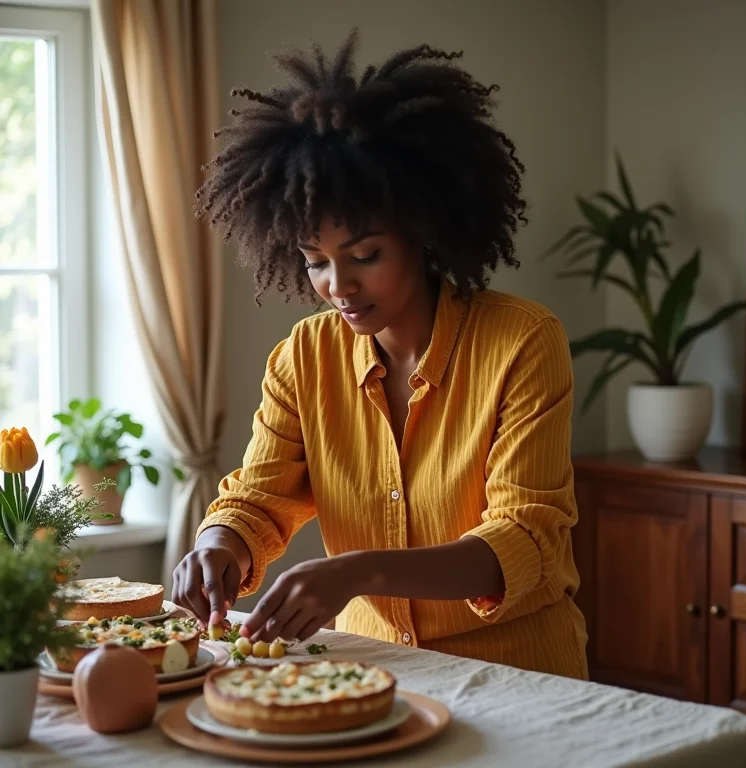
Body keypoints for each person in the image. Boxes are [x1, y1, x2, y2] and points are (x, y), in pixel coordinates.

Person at [173, 30, 588, 679]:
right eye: (316, 262)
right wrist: (216, 543)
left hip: (520, 673)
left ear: (425, 232)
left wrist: (359, 570)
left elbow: (525, 538)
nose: (338, 286)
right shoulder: (303, 358)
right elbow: (257, 500)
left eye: (365, 255)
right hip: (373, 670)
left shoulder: (522, 341)